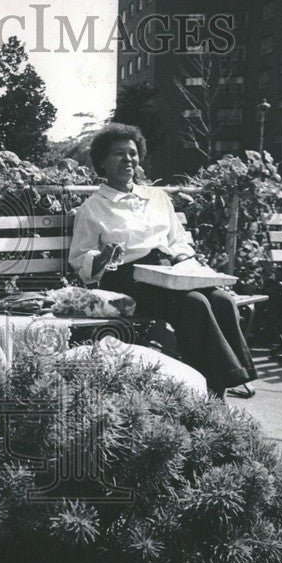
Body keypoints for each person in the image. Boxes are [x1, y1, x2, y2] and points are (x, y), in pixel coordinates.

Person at [68, 123, 256, 397]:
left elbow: (177, 240)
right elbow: (80, 259)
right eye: (118, 154)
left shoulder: (156, 197)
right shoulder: (93, 207)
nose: (128, 159)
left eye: (132, 153)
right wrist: (103, 256)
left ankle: (225, 382)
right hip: (126, 278)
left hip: (169, 271)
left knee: (223, 300)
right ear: (102, 162)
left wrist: (184, 259)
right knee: (195, 304)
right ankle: (207, 388)